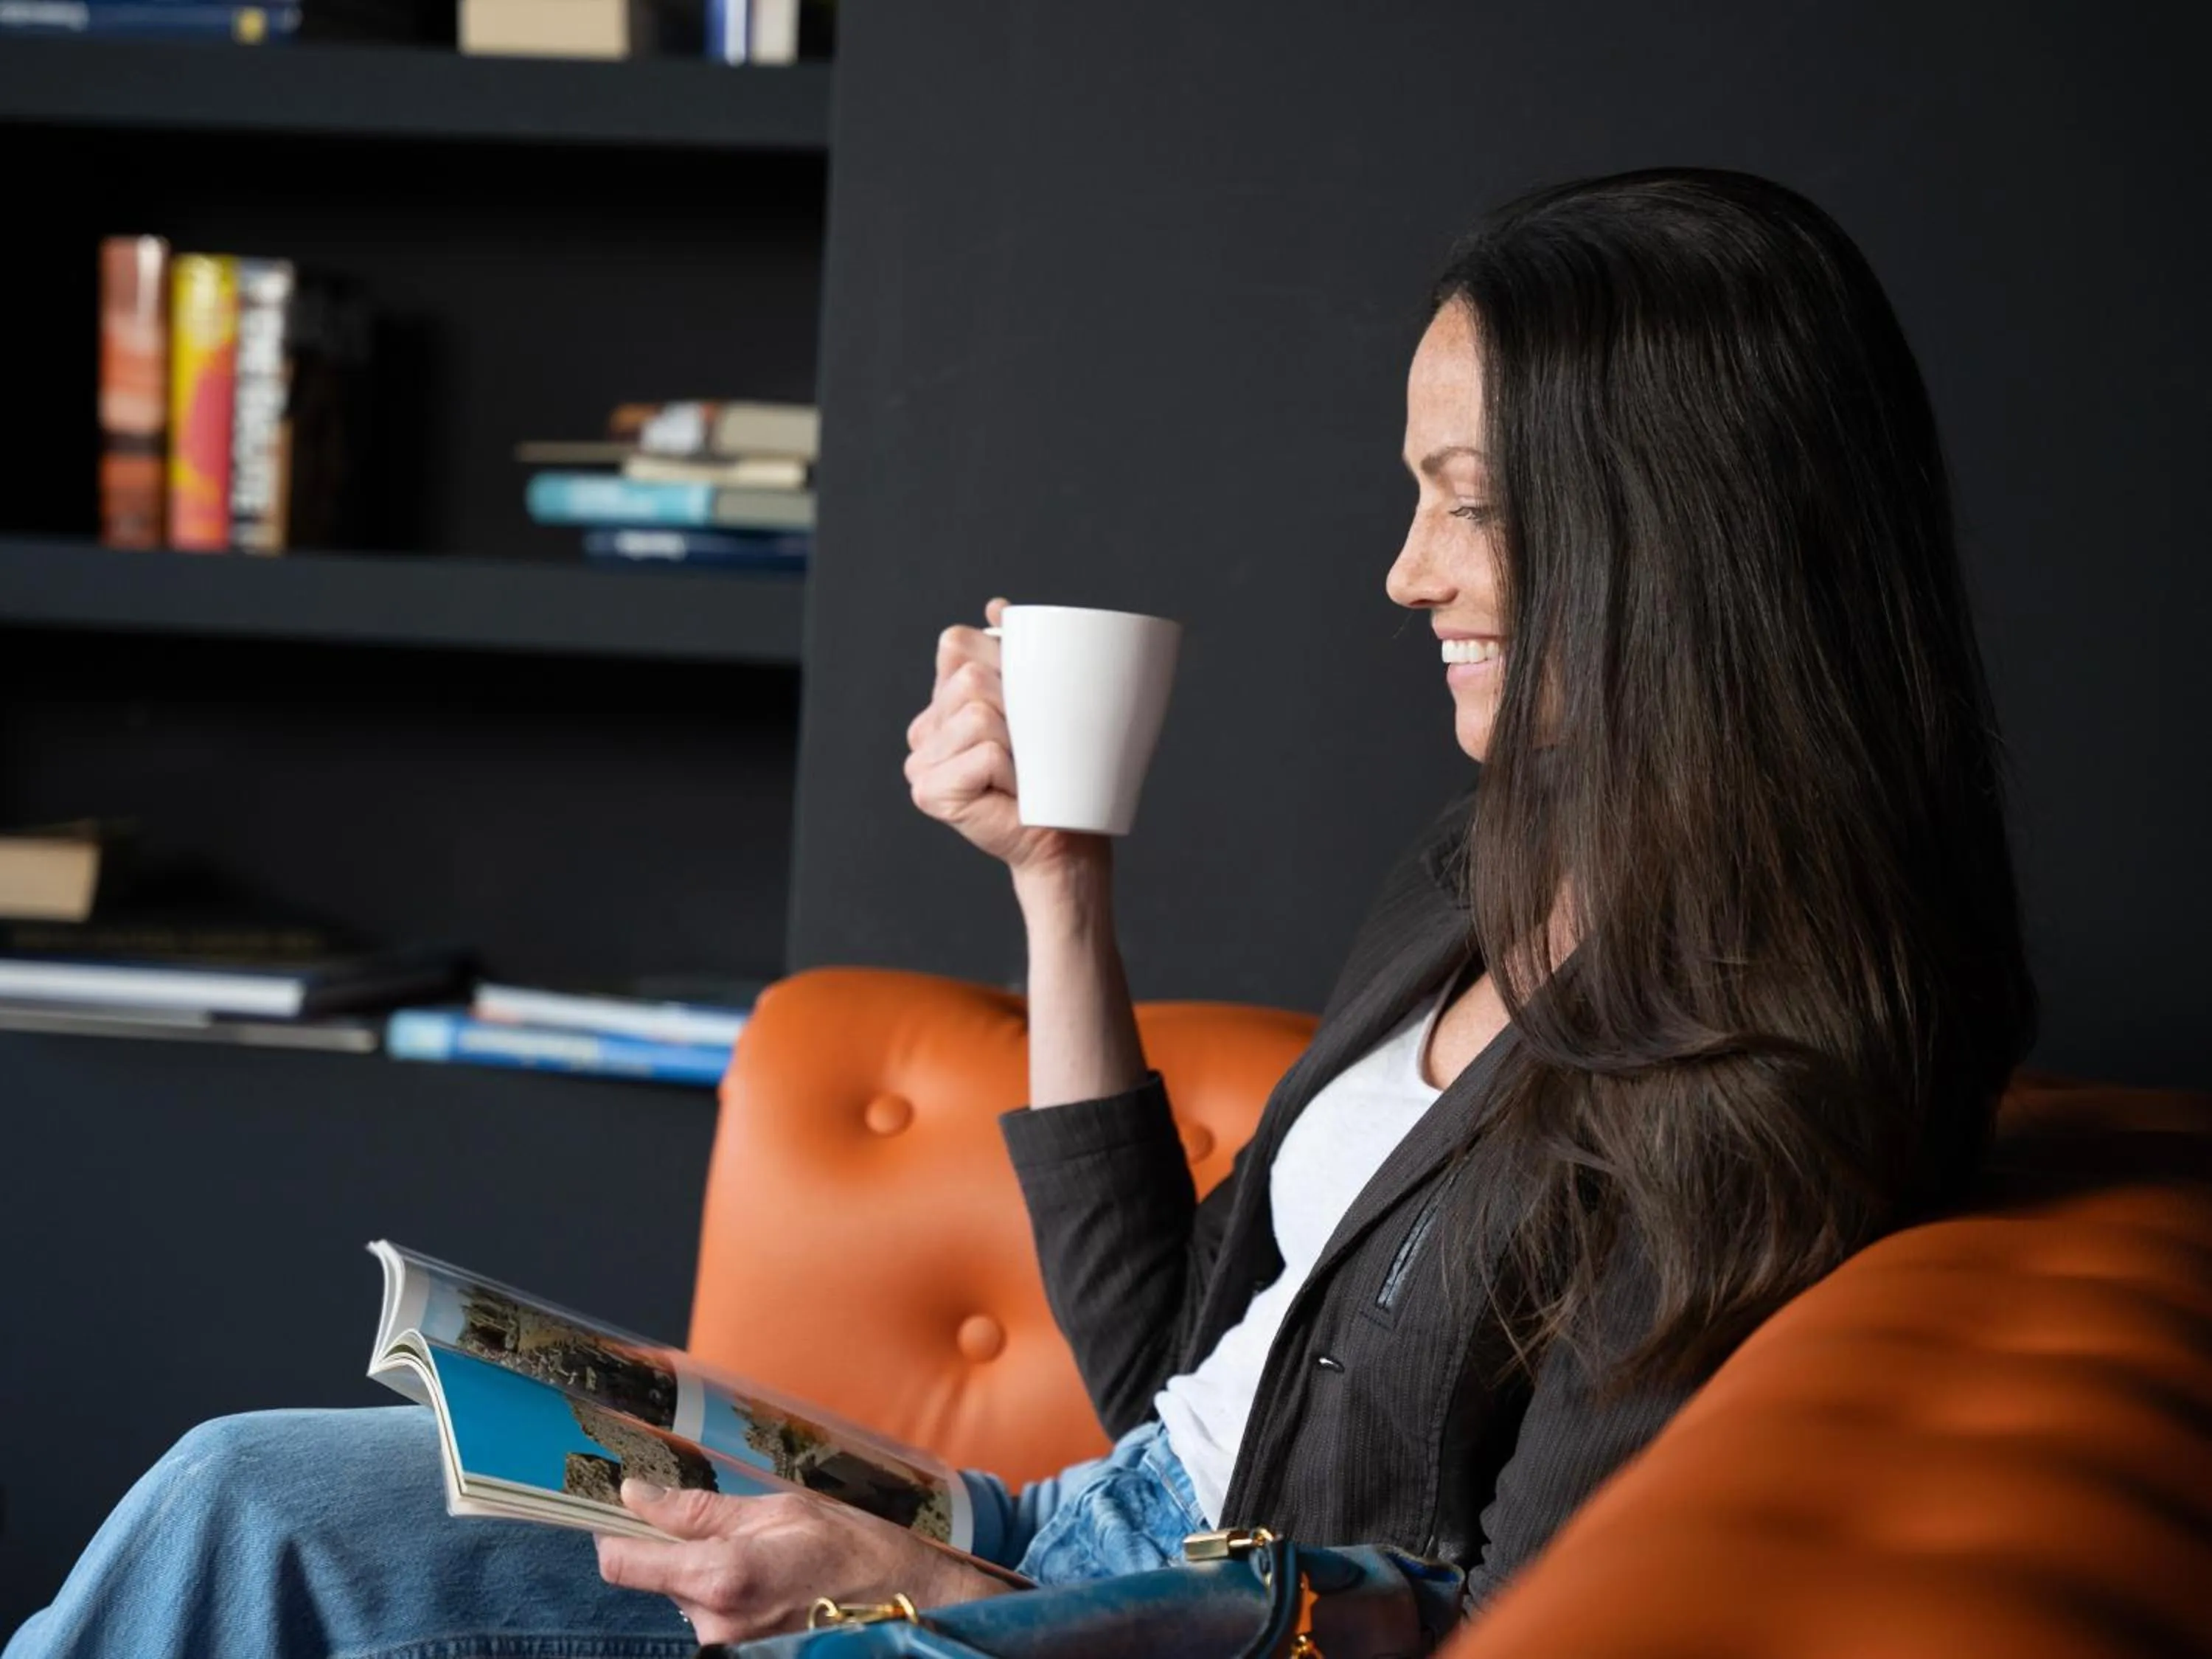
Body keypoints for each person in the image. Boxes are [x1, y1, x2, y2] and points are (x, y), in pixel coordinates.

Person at [7, 167, 2035, 1658]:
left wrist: (935, 1591)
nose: (1408, 573)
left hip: (1086, 1622)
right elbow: (1168, 1349)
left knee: (262, 1539)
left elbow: (1491, 1623)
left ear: (1673, 529)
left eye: (1470, 499)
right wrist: (1063, 893)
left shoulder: (1768, 1069)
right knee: (245, 1488)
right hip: (1057, 1532)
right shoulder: (1487, 869)